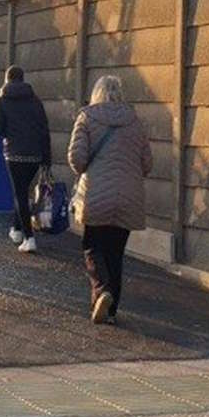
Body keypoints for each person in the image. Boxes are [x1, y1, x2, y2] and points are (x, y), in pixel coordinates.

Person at [67, 74, 152, 325]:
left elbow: (77, 159)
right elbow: (148, 163)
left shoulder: (87, 117)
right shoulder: (135, 121)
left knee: (92, 246)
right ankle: (111, 310)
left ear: (96, 93)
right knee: (115, 253)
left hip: (96, 194)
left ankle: (101, 290)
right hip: (129, 196)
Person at [0, 65, 52, 254]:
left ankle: (29, 237)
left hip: (14, 154)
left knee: (20, 194)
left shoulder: (1, 101)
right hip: (35, 154)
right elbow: (44, 130)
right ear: (23, 79)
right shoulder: (35, 101)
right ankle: (16, 229)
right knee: (23, 192)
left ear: (6, 79)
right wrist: (46, 159)